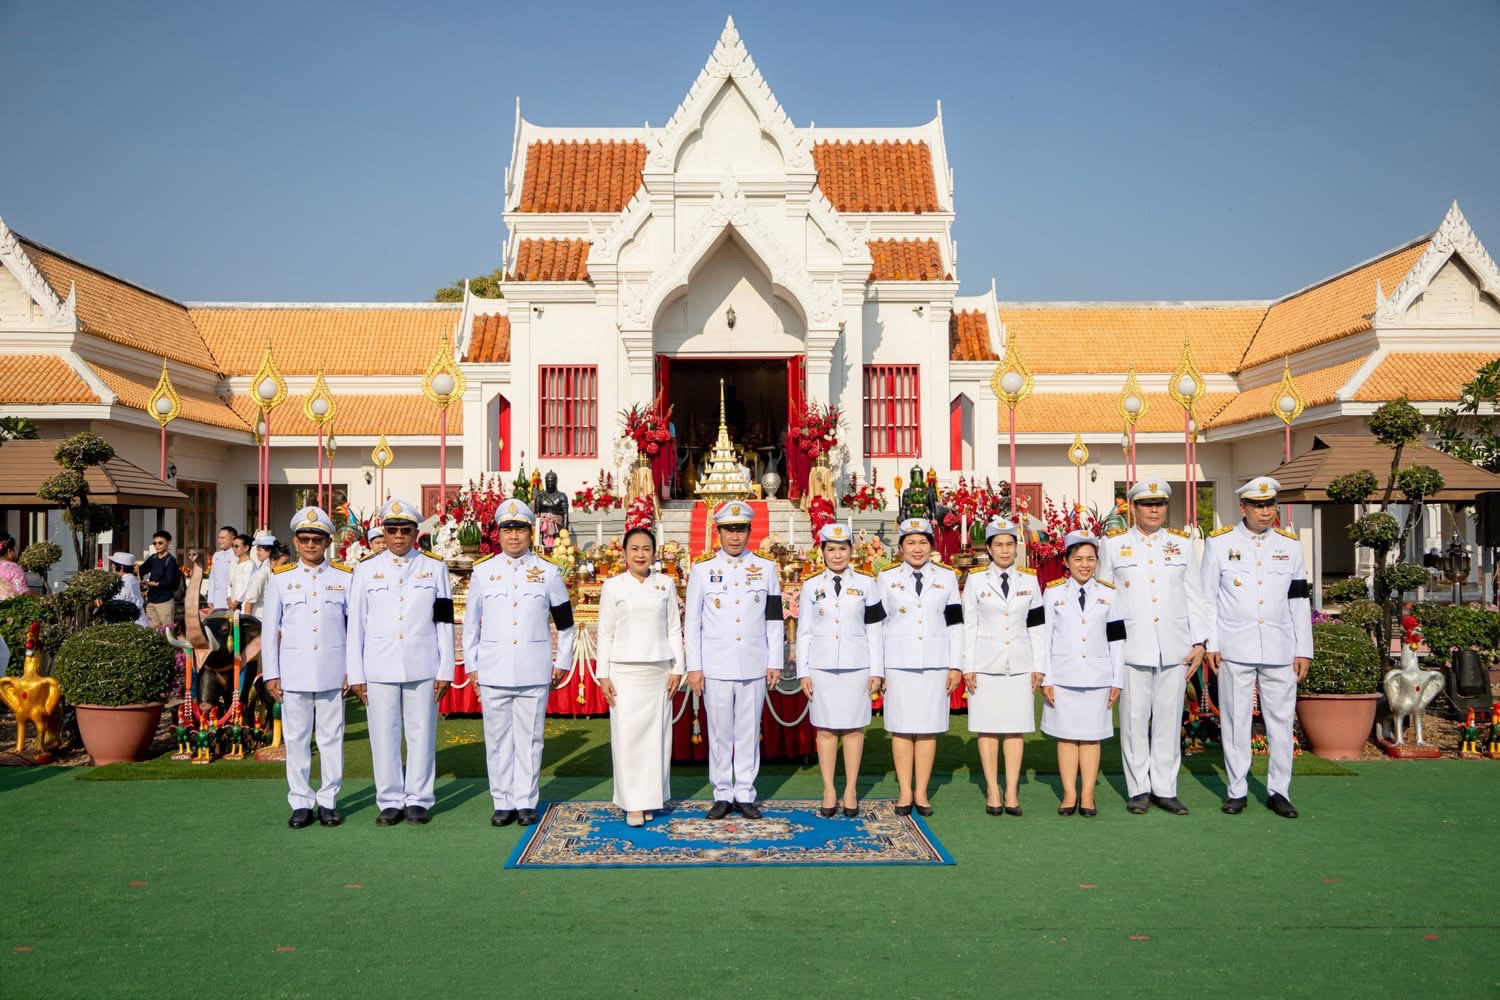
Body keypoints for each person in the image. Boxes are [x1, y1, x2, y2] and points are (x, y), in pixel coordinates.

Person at [1201, 477, 1313, 819]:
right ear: (1243, 507)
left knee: (1281, 722)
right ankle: (1237, 789)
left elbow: (1298, 600)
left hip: (1280, 646)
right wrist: (1212, 643)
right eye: (1258, 505)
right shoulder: (1219, 544)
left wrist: (1303, 648)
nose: (1266, 511)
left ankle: (1280, 790)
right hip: (1235, 646)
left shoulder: (1290, 546)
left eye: (1270, 504)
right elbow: (1207, 600)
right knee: (1236, 720)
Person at [463, 499, 576, 827]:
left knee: (530, 739)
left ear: (531, 532)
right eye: (508, 530)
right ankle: (502, 800)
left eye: (520, 530)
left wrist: (563, 660)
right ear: (498, 534)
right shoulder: (483, 572)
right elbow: (471, 624)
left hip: (533, 667)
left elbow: (566, 623)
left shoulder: (549, 572)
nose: (514, 536)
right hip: (494, 669)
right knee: (497, 739)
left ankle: (526, 801)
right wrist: (473, 666)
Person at [1096, 481, 1206, 816]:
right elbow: (1105, 598)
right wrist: (1110, 647)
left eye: (1160, 503)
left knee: (1169, 720)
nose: (1154, 510)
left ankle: (1165, 787)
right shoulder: (1113, 544)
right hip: (1132, 644)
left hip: (1174, 645)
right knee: (1133, 718)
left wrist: (1199, 641)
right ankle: (1138, 788)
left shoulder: (1181, 544)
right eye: (1147, 504)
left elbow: (1195, 595)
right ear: (1133, 508)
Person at [346, 498, 456, 826]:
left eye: (404, 530)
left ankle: (419, 799)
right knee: (383, 734)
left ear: (415, 533)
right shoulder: (366, 569)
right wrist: (356, 673)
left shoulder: (434, 567)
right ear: (383, 532)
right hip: (378, 664)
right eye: (391, 530)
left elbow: (444, 621)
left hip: (422, 663)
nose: (397, 536)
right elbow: (356, 625)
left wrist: (446, 667)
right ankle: (390, 799)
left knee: (422, 733)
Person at [684, 500, 784, 820]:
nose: (735, 537)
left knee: (747, 729)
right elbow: (692, 622)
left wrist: (775, 661)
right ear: (719, 532)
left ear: (749, 532)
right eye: (729, 530)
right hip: (716, 663)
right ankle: (722, 792)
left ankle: (745, 791)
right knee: (720, 731)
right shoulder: (702, 569)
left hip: (753, 661)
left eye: (740, 530)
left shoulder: (766, 568)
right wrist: (695, 666)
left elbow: (774, 617)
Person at [261, 507, 351, 829]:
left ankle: (328, 800)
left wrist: (351, 671)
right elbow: (269, 629)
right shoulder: (282, 578)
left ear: (328, 541)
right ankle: (300, 801)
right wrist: (271, 672)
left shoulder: (344, 577)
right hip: (294, 671)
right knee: (297, 738)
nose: (311, 544)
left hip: (332, 669)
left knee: (331, 738)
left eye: (317, 539)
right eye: (304, 539)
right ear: (296, 542)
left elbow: (354, 628)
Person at [795, 523, 884, 818]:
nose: (837, 555)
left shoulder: (867, 584)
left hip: (857, 665)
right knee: (826, 729)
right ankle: (829, 788)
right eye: (831, 549)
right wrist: (803, 671)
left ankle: (851, 789)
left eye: (842, 549)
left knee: (854, 729)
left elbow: (875, 630)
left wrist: (877, 670)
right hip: (821, 667)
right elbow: (804, 632)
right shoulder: (811, 586)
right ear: (821, 552)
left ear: (851, 551)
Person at [595, 527, 683, 826]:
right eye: (634, 548)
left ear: (654, 553)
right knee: (627, 737)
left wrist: (678, 667)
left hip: (658, 669)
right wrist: (603, 674)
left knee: (656, 738)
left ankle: (650, 799)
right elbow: (605, 633)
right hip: (624, 671)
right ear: (624, 552)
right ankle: (632, 802)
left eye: (646, 548)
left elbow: (673, 628)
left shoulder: (666, 584)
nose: (640, 554)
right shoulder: (613, 586)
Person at [1037, 530, 1125, 817]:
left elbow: (1117, 639)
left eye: (1090, 559)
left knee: (1091, 737)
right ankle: (1069, 794)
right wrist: (1046, 677)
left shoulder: (1110, 594)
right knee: (1066, 737)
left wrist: (1117, 679)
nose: (1085, 565)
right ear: (1066, 561)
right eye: (1078, 559)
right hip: (1063, 677)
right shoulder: (1052, 593)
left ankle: (1087, 794)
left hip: (1098, 676)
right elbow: (1044, 638)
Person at [878, 517, 963, 816]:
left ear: (931, 546)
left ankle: (922, 792)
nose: (917, 548)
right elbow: (878, 626)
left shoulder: (947, 577)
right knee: (901, 729)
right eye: (910, 542)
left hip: (934, 663)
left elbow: (955, 624)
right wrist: (879, 668)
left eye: (923, 542)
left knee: (928, 729)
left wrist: (955, 665)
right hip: (898, 663)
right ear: (900, 547)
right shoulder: (886, 578)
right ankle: (904, 791)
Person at [960, 517, 1042, 816]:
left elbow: (1038, 626)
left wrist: (1039, 666)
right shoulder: (976, 580)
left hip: (1020, 663)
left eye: (1010, 544)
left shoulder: (1030, 580)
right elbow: (969, 625)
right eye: (999, 545)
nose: (1005, 550)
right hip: (985, 663)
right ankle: (993, 790)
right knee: (987, 729)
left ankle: (1011, 791)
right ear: (989, 549)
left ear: (1016, 548)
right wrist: (967, 665)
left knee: (1015, 730)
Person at [139, 530, 182, 630]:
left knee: (167, 632)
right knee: (153, 631)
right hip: (151, 601)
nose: (157, 545)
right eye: (155, 543)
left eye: (160, 543)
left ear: (168, 543)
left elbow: (169, 581)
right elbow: (142, 570)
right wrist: (135, 570)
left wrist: (153, 583)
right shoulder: (153, 558)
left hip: (165, 602)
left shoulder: (170, 560)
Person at [108, 552, 149, 626]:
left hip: (134, 623)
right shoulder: (131, 579)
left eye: (113, 566)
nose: (112, 568)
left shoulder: (126, 582)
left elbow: (117, 600)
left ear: (121, 568)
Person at [206, 525, 238, 611]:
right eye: (219, 538)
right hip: (217, 600)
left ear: (233, 539)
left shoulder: (237, 556)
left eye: (223, 538)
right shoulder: (217, 555)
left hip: (232, 600)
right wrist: (210, 599)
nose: (219, 540)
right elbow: (212, 579)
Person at [226, 533, 254, 613]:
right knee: (232, 625)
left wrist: (237, 601)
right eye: (233, 546)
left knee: (239, 625)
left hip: (243, 604)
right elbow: (229, 583)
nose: (234, 549)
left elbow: (247, 586)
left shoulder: (250, 565)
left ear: (246, 547)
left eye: (237, 546)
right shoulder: (234, 563)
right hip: (232, 604)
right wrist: (229, 598)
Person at [0, 532, 30, 598]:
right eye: (16, 548)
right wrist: (43, 597)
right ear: (9, 551)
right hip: (8, 606)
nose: (18, 551)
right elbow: (22, 593)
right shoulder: (14, 568)